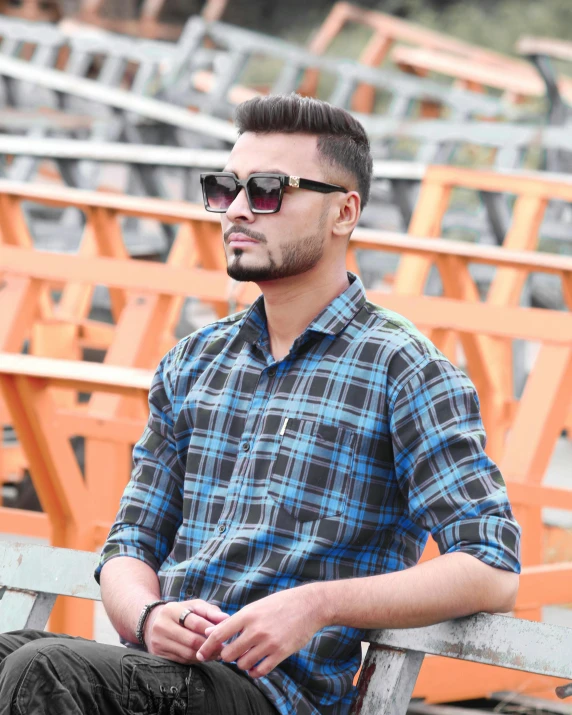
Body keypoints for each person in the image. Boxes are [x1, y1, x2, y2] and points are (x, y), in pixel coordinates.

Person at [0, 94, 520, 715]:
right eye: (226, 188)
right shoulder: (193, 362)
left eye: (269, 190)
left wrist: (318, 603)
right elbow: (128, 546)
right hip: (164, 670)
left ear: (343, 213)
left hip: (275, 694)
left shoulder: (404, 370)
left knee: (44, 671)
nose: (239, 210)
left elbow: (491, 566)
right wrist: (147, 614)